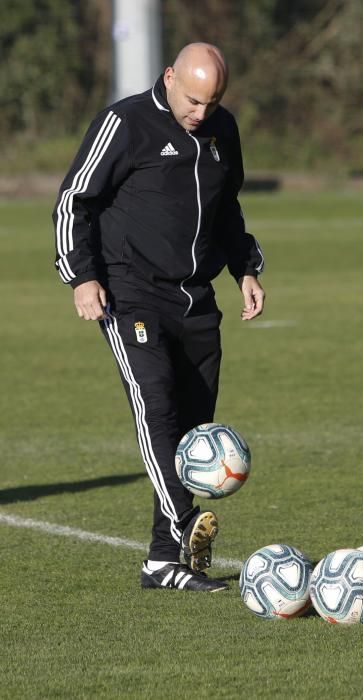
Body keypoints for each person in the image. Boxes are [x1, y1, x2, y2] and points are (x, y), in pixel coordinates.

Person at [52, 43, 265, 592]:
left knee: (193, 430)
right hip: (130, 293)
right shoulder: (124, 122)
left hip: (195, 300)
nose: (201, 112)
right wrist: (82, 275)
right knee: (157, 403)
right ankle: (185, 521)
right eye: (193, 100)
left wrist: (244, 267)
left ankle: (162, 561)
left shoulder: (223, 130)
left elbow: (227, 208)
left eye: (212, 102)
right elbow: (74, 200)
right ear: (169, 77)